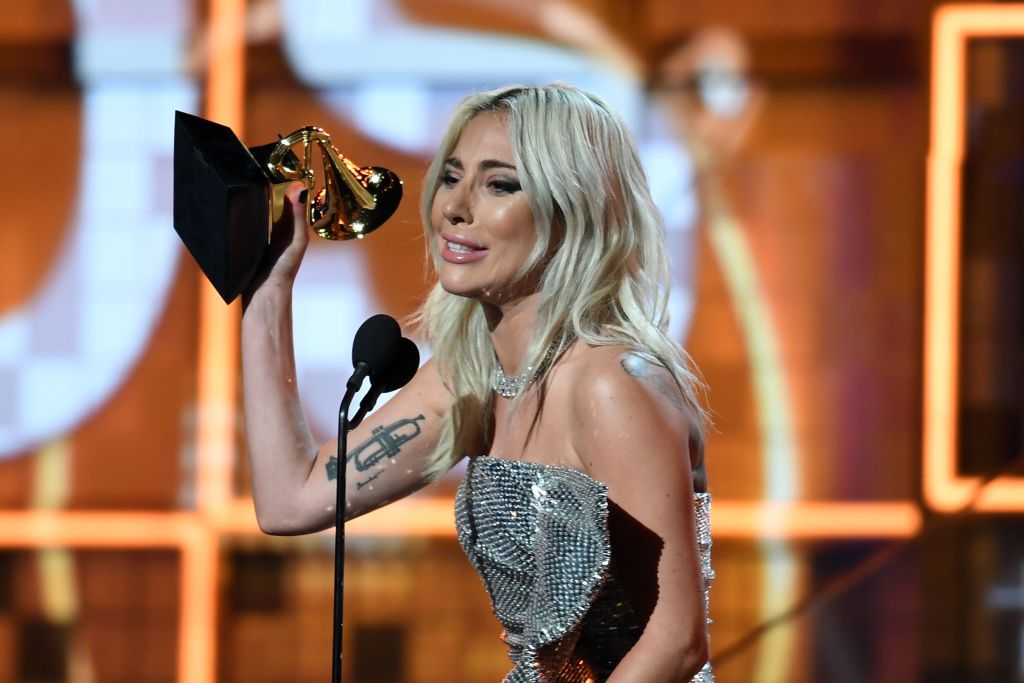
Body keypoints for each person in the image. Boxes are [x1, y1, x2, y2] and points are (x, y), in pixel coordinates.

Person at [241, 83, 714, 683]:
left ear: (572, 209)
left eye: (500, 185)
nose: (455, 208)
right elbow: (292, 499)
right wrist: (267, 291)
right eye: (451, 177)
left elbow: (676, 643)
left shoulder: (610, 385)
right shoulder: (470, 380)